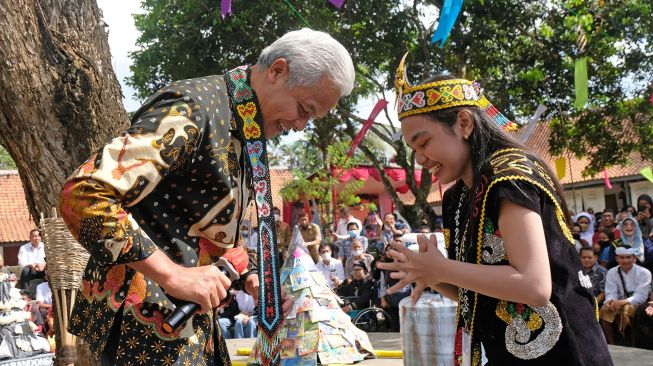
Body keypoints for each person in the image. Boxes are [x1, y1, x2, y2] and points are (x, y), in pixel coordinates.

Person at [58, 28, 352, 365]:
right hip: (146, 322)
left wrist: (253, 278)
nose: (300, 125)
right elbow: (83, 193)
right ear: (277, 70)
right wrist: (174, 276)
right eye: (304, 108)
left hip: (190, 324)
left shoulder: (244, 125)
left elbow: (205, 226)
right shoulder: (193, 108)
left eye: (310, 118)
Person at [377, 61, 612, 364]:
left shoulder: (509, 177)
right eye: (414, 149)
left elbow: (534, 286)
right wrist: (430, 275)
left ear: (464, 123)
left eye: (424, 142)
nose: (420, 158)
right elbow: (478, 291)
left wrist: (442, 270)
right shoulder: (457, 197)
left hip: (565, 354)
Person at [599, 247, 651, 345]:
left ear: (634, 258)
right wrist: (610, 302)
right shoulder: (611, 272)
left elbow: (641, 296)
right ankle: (611, 344)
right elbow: (611, 292)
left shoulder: (644, 273)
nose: (625, 260)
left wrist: (621, 302)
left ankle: (633, 344)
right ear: (617, 258)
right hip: (618, 302)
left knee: (627, 309)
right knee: (604, 309)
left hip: (638, 304)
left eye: (628, 257)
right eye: (622, 257)